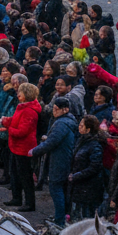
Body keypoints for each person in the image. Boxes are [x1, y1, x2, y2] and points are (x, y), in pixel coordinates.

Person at [29, 97, 78, 226]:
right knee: (61, 189)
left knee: (56, 189)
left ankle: (59, 219)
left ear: (65, 110)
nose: (54, 112)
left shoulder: (61, 124)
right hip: (63, 159)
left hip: (60, 160)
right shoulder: (67, 121)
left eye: (56, 109)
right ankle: (62, 216)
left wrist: (35, 151)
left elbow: (52, 142)